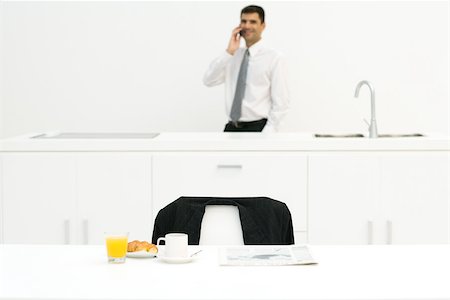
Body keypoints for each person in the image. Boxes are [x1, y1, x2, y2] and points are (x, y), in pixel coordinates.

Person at [203, 5, 290, 132]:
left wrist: (267, 133)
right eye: (244, 21)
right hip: (232, 127)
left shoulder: (274, 58)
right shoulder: (232, 56)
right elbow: (208, 80)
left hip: (258, 128)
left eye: (253, 22)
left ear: (263, 25)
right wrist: (229, 52)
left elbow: (281, 102)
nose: (247, 26)